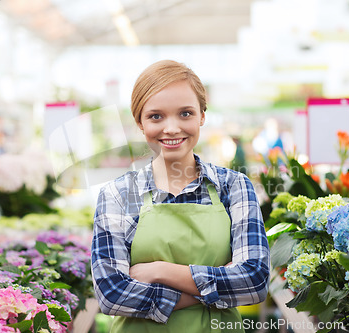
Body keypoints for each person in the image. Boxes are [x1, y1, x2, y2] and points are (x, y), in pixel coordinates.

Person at [91, 60, 270, 332]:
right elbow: (111, 293)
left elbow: (255, 281)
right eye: (156, 116)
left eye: (185, 113)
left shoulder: (233, 187)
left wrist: (161, 271)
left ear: (202, 116)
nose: (172, 128)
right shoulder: (118, 194)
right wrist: (216, 286)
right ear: (139, 122)